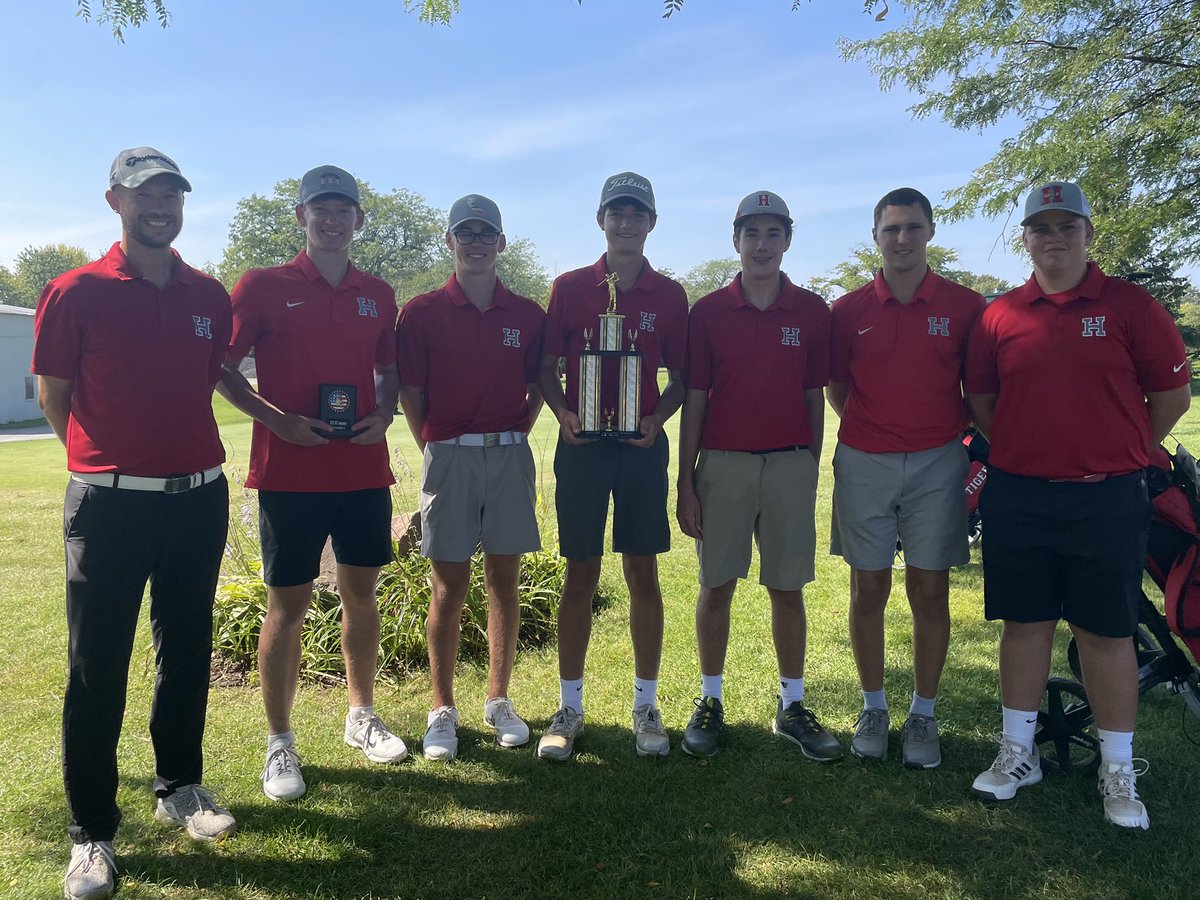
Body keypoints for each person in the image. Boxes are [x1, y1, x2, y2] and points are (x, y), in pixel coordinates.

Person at [33, 147, 236, 900]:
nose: (160, 207)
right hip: (109, 503)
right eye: (145, 194)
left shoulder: (208, 294)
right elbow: (55, 395)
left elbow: (210, 378)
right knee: (98, 666)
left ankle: (179, 785)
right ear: (115, 201)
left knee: (186, 648)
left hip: (198, 497)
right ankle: (92, 831)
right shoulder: (75, 290)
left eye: (171, 195)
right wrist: (103, 465)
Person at [965, 181, 1191, 829]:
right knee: (1025, 623)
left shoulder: (1130, 306)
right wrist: (1027, 450)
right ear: (1026, 239)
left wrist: (1121, 448)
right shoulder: (1000, 315)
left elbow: (1170, 399)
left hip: (1108, 495)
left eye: (1068, 226)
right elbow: (982, 404)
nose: (1055, 237)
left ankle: (1117, 768)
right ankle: (1018, 752)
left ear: (1089, 234)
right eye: (1042, 227)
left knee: (1106, 631)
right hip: (1020, 494)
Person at [220, 165, 406, 802]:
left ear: (358, 219)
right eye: (319, 209)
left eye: (342, 210)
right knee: (288, 605)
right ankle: (280, 741)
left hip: (361, 470)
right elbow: (222, 368)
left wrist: (385, 412)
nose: (331, 220)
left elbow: (388, 370)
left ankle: (361, 715)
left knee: (362, 595)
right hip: (289, 472)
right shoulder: (262, 285)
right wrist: (277, 421)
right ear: (301, 216)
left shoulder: (377, 293)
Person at [675, 190, 840, 761]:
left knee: (787, 587)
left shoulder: (812, 311)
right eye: (752, 233)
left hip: (790, 462)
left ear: (788, 240)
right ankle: (710, 699)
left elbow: (814, 396)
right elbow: (695, 400)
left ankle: (792, 704)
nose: (762, 244)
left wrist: (808, 463)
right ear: (736, 240)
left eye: (773, 233)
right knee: (716, 584)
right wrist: (686, 480)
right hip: (724, 464)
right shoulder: (708, 312)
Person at [828, 188, 986, 768]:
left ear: (930, 231)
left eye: (912, 227)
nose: (902, 239)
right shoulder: (847, 311)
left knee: (929, 589)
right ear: (875, 235)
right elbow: (838, 389)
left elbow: (978, 389)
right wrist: (876, 432)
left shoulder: (966, 306)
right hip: (864, 461)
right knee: (868, 587)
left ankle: (923, 713)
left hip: (938, 462)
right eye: (891, 229)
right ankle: (873, 707)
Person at [535, 172, 688, 760]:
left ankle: (646, 705)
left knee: (642, 574)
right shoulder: (570, 287)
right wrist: (563, 412)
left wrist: (656, 419)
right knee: (580, 574)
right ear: (601, 220)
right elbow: (546, 367)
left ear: (652, 223)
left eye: (636, 214)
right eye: (616, 213)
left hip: (641, 449)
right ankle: (569, 706)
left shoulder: (669, 295)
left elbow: (682, 379)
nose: (626, 223)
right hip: (582, 449)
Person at [396, 194, 545, 760]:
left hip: (508, 453)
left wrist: (518, 430)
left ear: (501, 242)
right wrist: (433, 446)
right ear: (450, 241)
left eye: (486, 234)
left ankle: (498, 699)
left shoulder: (526, 314)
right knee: (448, 584)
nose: (477, 243)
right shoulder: (422, 311)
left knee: (504, 579)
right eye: (466, 233)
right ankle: (442, 708)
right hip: (449, 455)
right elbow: (411, 392)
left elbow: (538, 384)